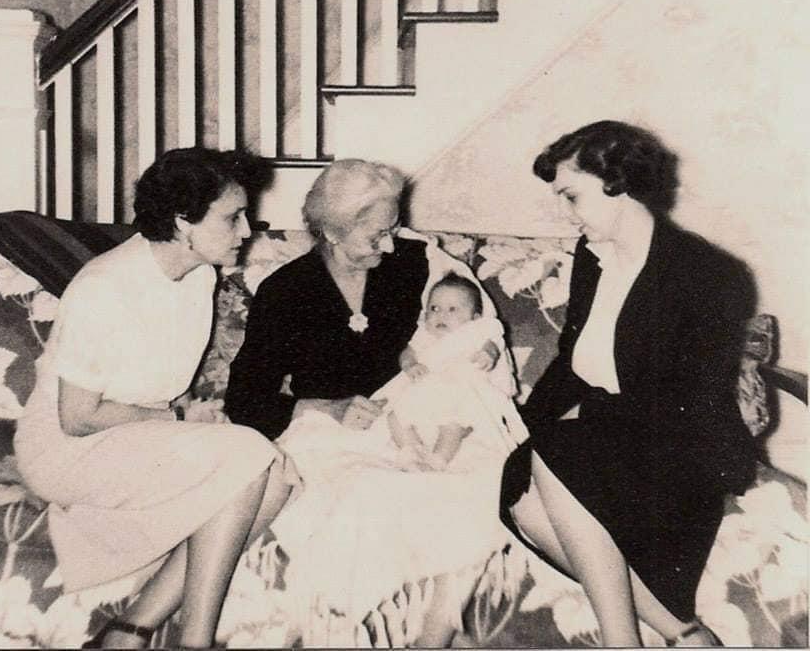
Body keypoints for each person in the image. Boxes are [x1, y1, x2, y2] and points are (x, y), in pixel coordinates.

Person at [224, 159, 522, 647]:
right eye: (374, 236)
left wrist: (472, 368)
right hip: (334, 431)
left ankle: (436, 633)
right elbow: (245, 399)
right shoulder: (286, 291)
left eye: (392, 229)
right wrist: (323, 407)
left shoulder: (420, 262)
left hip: (423, 416)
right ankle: (356, 627)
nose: (388, 245)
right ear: (330, 232)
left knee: (487, 476)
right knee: (367, 493)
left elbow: (477, 338)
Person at [13, 147, 295, 649]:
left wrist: (184, 421)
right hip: (67, 445)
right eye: (232, 217)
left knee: (276, 475)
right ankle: (196, 642)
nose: (247, 230)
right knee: (251, 454)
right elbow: (77, 417)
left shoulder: (199, 276)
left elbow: (164, 382)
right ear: (183, 220)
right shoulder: (104, 286)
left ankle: (129, 630)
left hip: (134, 434)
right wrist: (179, 416)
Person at [500, 121, 757, 646]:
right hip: (612, 438)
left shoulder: (706, 272)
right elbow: (572, 363)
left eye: (571, 196)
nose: (563, 211)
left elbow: (694, 398)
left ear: (618, 183)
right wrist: (514, 425)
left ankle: (623, 643)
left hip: (685, 447)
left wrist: (580, 421)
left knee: (554, 451)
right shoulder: (592, 259)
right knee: (518, 491)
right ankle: (685, 634)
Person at [385, 272, 526, 473]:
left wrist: (488, 354)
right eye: (434, 308)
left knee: (453, 424)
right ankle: (411, 450)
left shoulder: (478, 331)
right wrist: (410, 365)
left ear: (474, 318)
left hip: (462, 393)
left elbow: (492, 346)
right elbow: (408, 352)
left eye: (452, 309)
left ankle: (437, 460)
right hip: (427, 391)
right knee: (395, 416)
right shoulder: (424, 334)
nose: (441, 315)